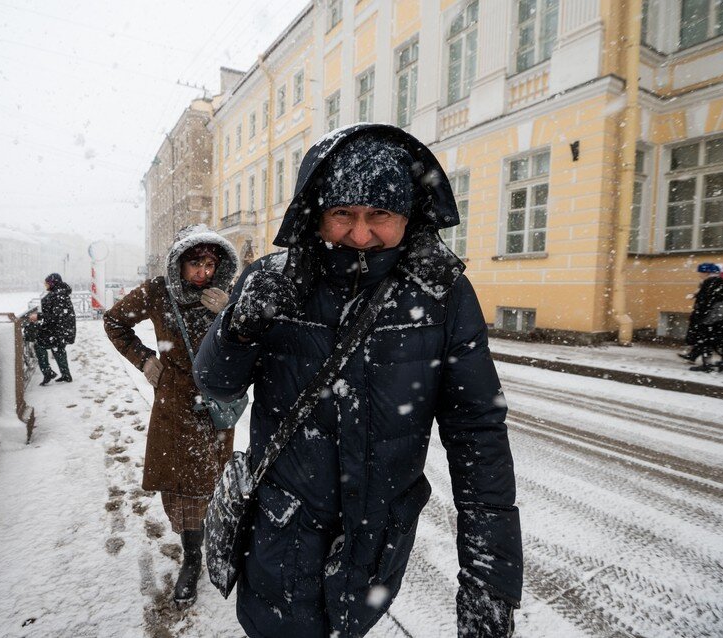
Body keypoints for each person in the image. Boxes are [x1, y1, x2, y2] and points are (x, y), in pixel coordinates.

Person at [193, 124, 522, 638]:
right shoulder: (272, 281)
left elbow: (478, 435)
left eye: (380, 215)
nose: (361, 234)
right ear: (316, 211)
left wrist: (490, 581)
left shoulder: (441, 295)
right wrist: (238, 327)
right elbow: (215, 384)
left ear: (408, 217)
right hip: (280, 537)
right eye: (343, 213)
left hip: (375, 543)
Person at [103, 225, 239, 606]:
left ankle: (216, 543)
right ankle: (192, 558)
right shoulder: (157, 291)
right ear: (178, 263)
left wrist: (230, 311)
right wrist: (145, 359)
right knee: (183, 487)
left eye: (211, 263)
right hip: (176, 406)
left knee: (215, 479)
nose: (203, 273)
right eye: (195, 263)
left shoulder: (226, 295)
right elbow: (114, 321)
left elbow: (255, 339)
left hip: (217, 406)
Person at [681, 263, 723, 372]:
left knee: (705, 340)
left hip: (709, 315)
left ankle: (708, 365)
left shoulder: (710, 282)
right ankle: (721, 362)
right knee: (711, 340)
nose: (699, 274)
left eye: (700, 272)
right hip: (718, 314)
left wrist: (698, 315)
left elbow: (705, 300)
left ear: (707, 272)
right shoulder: (720, 281)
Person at [29, 273, 76, 385]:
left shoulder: (58, 295)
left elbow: (55, 315)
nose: (45, 286)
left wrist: (38, 316)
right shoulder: (61, 293)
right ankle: (66, 375)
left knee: (40, 346)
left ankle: (48, 372)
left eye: (47, 283)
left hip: (56, 329)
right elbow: (57, 314)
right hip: (61, 329)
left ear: (53, 283)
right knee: (59, 349)